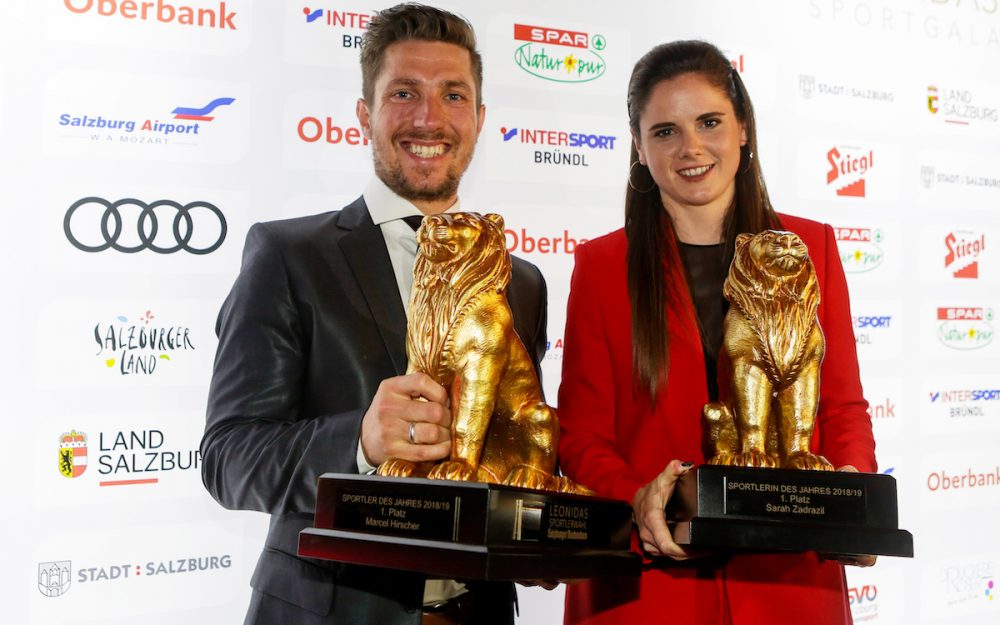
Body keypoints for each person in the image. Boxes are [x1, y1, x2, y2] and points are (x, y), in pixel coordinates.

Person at [200, 5, 548, 624]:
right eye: (404, 93)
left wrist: (536, 526)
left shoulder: (520, 283)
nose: (429, 118)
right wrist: (360, 440)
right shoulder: (289, 256)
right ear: (365, 115)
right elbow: (228, 458)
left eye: (453, 95)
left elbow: (509, 448)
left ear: (480, 118)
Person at [556, 40, 876, 625]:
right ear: (638, 145)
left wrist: (851, 494)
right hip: (648, 589)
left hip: (791, 586)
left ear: (744, 127)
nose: (691, 148)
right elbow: (579, 436)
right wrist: (638, 498)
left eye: (709, 122)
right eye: (665, 131)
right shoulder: (601, 265)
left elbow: (841, 406)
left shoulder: (813, 247)